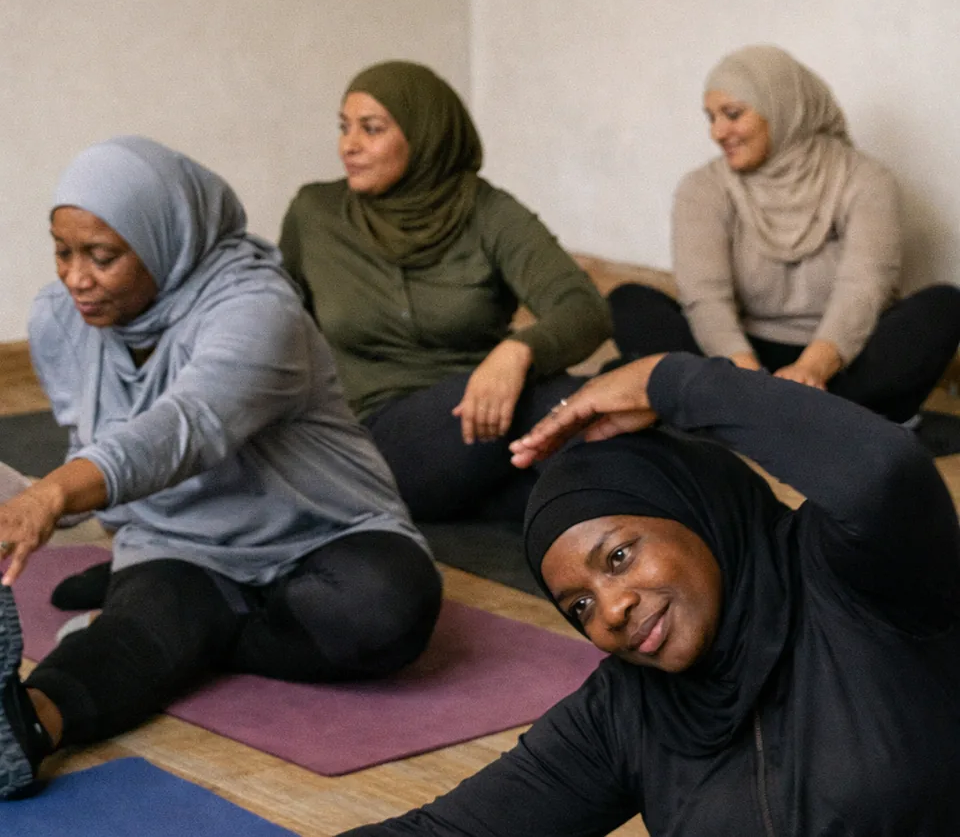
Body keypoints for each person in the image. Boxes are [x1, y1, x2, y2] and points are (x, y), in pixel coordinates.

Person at [338, 353, 960, 835]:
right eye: (579, 606)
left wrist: (669, 381)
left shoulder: (858, 580)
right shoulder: (627, 710)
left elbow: (883, 469)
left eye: (618, 557)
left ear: (694, 514)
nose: (611, 611)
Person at [0, 136, 442, 800]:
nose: (75, 278)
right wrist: (29, 498)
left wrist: (51, 499)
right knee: (150, 619)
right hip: (180, 547)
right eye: (62, 251)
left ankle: (171, 635)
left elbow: (185, 428)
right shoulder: (59, 322)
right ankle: (28, 723)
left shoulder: (258, 309)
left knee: (384, 611)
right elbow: (94, 441)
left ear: (165, 239)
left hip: (322, 534)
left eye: (102, 256)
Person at [278, 60, 612, 522]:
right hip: (374, 436)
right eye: (344, 127)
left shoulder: (488, 211)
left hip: (486, 419)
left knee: (571, 479)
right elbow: (274, 325)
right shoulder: (316, 213)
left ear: (425, 135)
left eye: (370, 129)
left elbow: (584, 309)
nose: (348, 145)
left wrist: (517, 352)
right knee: (575, 403)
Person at [609, 44, 960, 423]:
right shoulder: (703, 187)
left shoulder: (865, 180)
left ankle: (740, 416)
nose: (717, 132)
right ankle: (815, 421)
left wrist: (810, 369)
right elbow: (706, 297)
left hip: (840, 362)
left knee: (943, 307)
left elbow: (864, 287)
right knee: (628, 303)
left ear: (783, 108)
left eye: (732, 114)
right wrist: (747, 377)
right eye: (711, 118)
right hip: (739, 358)